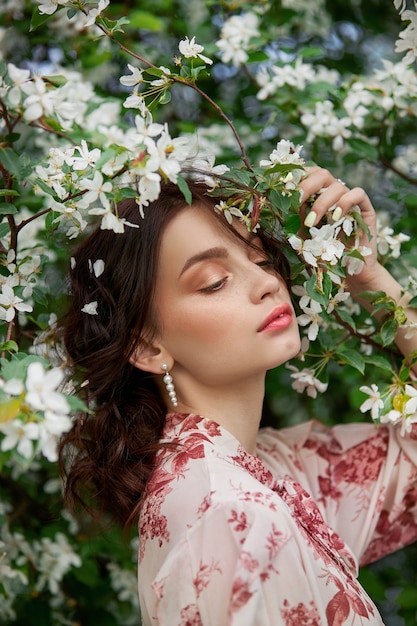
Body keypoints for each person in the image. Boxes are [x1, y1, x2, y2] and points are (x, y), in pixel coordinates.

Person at [60, 166, 417, 625]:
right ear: (147, 346)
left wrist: (369, 277)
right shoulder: (231, 513)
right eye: (213, 281)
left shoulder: (274, 469)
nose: (267, 282)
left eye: (261, 259)